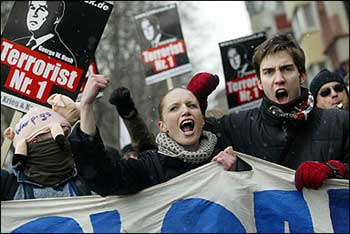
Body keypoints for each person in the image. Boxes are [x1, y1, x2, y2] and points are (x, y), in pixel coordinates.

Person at [195, 33, 348, 191]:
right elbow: (194, 138)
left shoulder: (339, 122)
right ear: (259, 83)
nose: (279, 79)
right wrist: (194, 103)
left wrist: (334, 170)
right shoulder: (239, 126)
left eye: (286, 69)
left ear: (302, 76)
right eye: (269, 72)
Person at [70, 74, 242, 196]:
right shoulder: (151, 167)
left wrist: (236, 174)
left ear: (202, 120)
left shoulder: (228, 154)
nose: (185, 111)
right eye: (174, 108)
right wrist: (86, 106)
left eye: (191, 105)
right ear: (163, 126)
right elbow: (102, 178)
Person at [1, 104, 92, 201]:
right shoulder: (8, 184)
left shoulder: (86, 177)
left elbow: (99, 158)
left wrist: (86, 106)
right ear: (31, 142)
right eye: (56, 135)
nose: (64, 141)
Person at [13, 1, 77, 66]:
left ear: (56, 19)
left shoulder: (65, 58)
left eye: (42, 9)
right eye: (32, 8)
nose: (34, 14)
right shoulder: (15, 44)